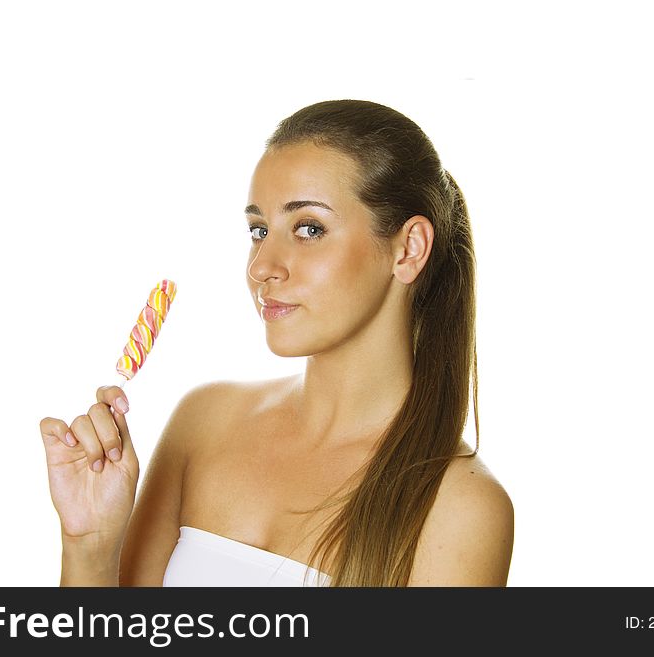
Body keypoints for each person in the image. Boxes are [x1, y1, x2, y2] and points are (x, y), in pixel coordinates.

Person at [39, 99, 514, 587]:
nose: (262, 266)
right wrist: (90, 546)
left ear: (408, 248)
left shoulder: (460, 507)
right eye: (259, 230)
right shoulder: (204, 422)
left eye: (309, 229)